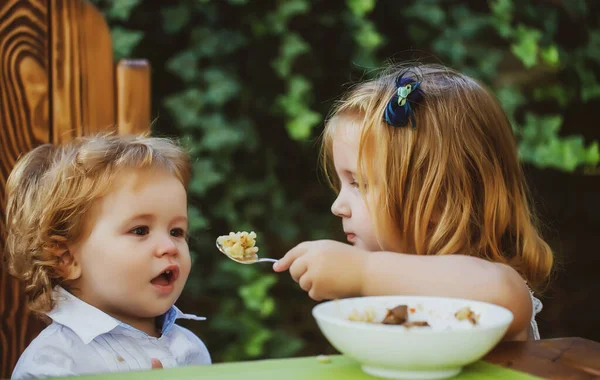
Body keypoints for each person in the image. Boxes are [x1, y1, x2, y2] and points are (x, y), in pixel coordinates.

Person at [274, 63, 553, 340]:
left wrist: (365, 272)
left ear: (441, 200)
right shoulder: (395, 291)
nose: (337, 206)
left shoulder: (485, 285)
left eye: (359, 183)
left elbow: (503, 292)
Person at [7, 134, 211, 378]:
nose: (169, 246)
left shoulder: (191, 350)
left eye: (176, 231)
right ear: (66, 259)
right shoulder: (55, 364)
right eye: (140, 230)